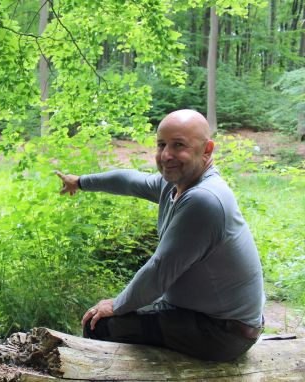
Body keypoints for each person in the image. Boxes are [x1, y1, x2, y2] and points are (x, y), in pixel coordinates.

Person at [55, 109, 265, 362]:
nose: (166, 155)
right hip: (203, 316)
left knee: (98, 325)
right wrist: (81, 181)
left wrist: (117, 305)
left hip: (220, 332)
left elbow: (158, 272)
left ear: (207, 150)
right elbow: (130, 181)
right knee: (120, 313)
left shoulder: (204, 199)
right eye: (161, 145)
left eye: (179, 145)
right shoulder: (176, 184)